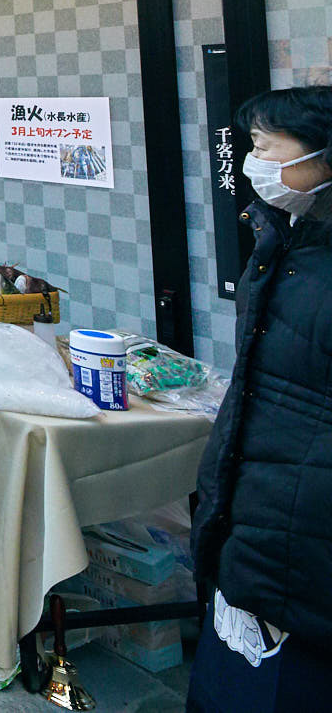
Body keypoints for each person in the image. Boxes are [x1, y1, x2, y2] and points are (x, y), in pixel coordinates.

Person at [188, 86, 332, 712]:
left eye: (266, 147)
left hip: (305, 532)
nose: (254, 161)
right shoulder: (282, 239)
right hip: (256, 516)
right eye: (250, 146)